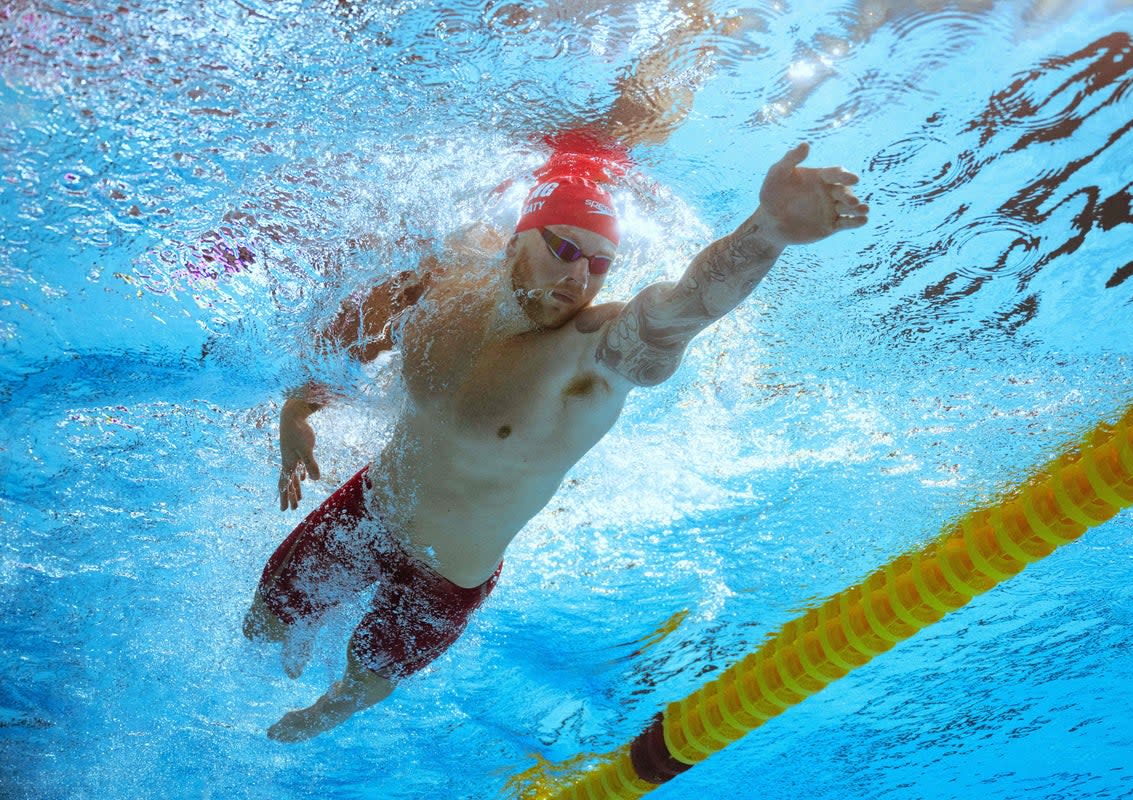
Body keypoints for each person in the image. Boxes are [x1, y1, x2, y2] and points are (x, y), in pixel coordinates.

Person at [242, 15, 869, 745]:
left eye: (600, 264)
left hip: (448, 577)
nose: (580, 275)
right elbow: (354, 334)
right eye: (567, 248)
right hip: (370, 510)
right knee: (261, 629)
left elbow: (686, 306)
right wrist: (296, 415)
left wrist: (769, 230)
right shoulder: (450, 284)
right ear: (518, 237)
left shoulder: (593, 354)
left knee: (354, 684)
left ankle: (335, 706)